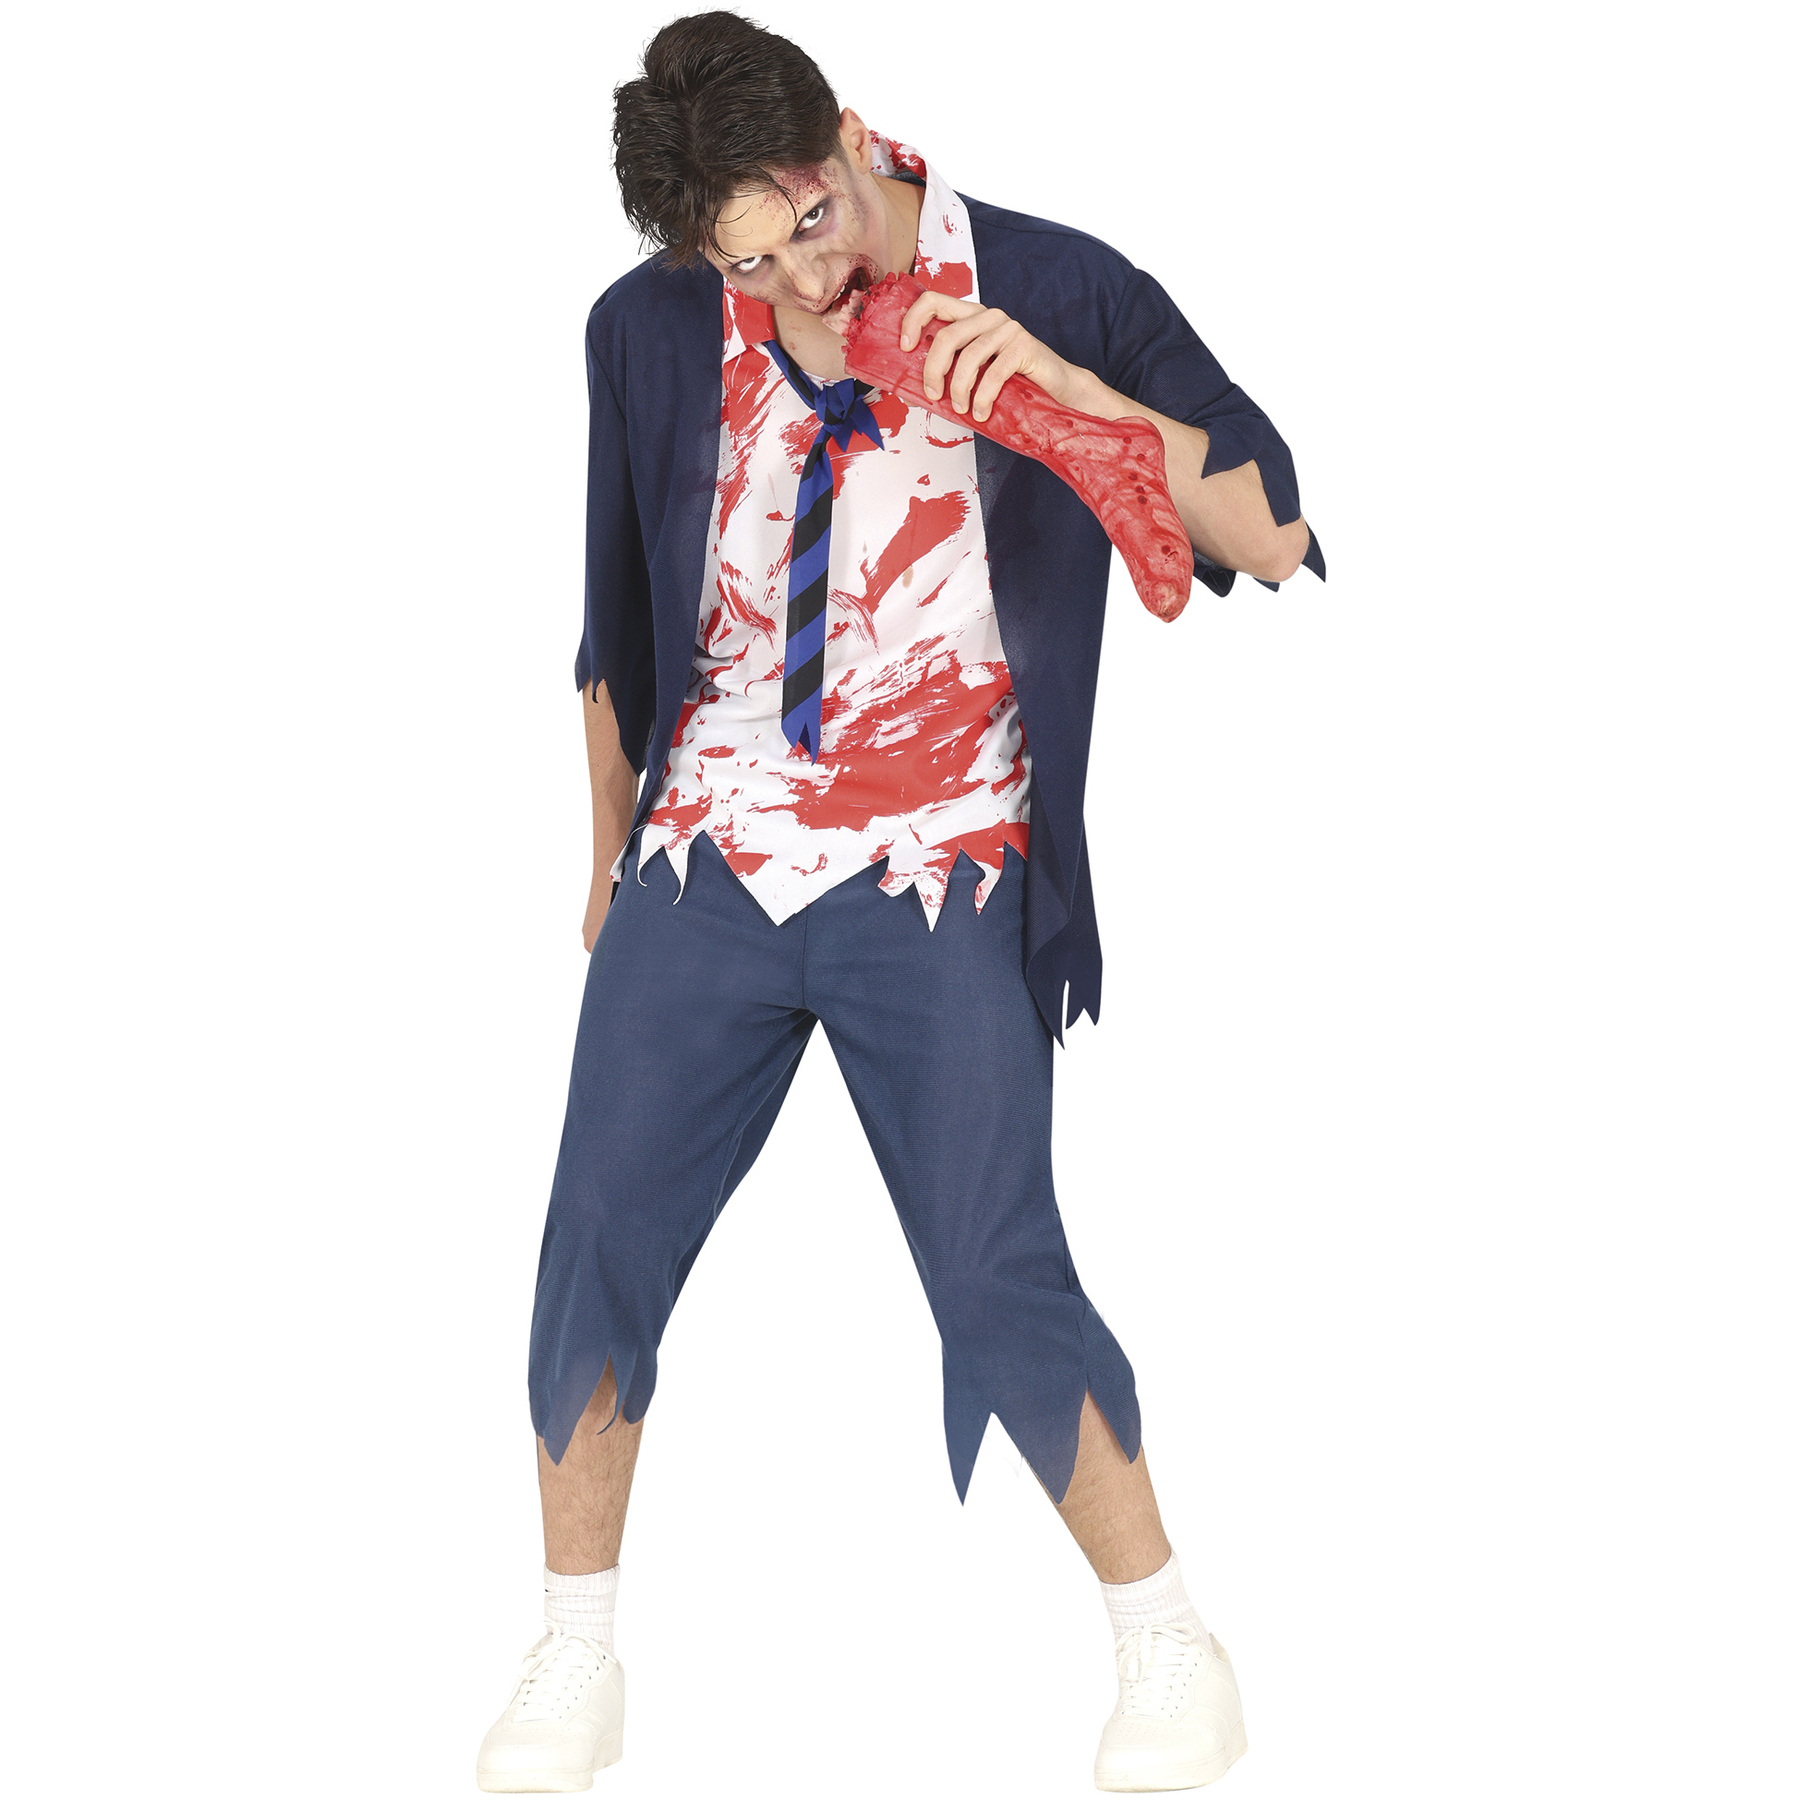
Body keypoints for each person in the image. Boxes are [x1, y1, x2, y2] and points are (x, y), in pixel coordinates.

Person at [476, 10, 1322, 1792]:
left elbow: (1272, 533)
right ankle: (573, 1651)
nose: (801, 274)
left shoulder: (1051, 280)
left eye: (810, 215)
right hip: (711, 846)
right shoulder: (644, 329)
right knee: (593, 1236)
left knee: (995, 1260)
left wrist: (1068, 391)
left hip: (947, 852)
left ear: (848, 132)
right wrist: (607, 856)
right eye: (748, 259)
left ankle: (1169, 1640)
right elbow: (611, 619)